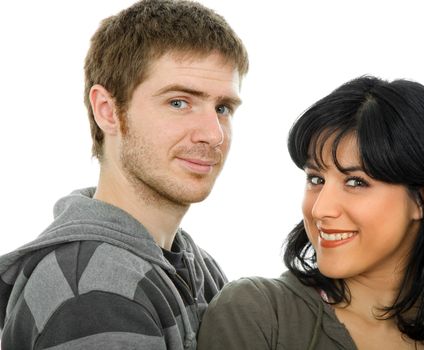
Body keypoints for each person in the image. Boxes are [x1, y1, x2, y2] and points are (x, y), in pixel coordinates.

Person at [0, 0, 248, 349]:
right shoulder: (94, 291)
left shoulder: (195, 265)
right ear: (108, 111)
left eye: (223, 108)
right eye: (179, 102)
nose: (213, 133)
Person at [197, 76, 424, 349]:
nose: (321, 209)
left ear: (421, 200)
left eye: (356, 182)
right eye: (316, 179)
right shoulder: (257, 315)